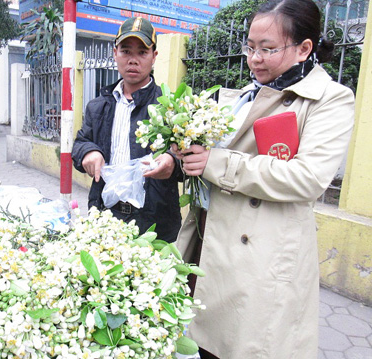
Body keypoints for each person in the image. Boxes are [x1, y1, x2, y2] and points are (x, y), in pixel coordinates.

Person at [172, 0, 355, 358]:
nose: (254, 58)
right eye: (250, 47)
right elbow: (215, 158)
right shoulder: (245, 94)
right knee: (199, 346)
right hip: (210, 242)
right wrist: (189, 155)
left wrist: (217, 162)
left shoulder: (329, 99)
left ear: (304, 48)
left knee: (244, 346)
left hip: (259, 259)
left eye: (268, 49)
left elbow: (308, 177)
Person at [72, 17, 182, 243]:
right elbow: (79, 144)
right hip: (105, 214)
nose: (133, 60)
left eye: (142, 52)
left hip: (154, 221)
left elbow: (190, 158)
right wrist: (88, 152)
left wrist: (173, 162)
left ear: (154, 57)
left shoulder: (169, 105)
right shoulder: (98, 105)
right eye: (126, 51)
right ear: (115, 53)